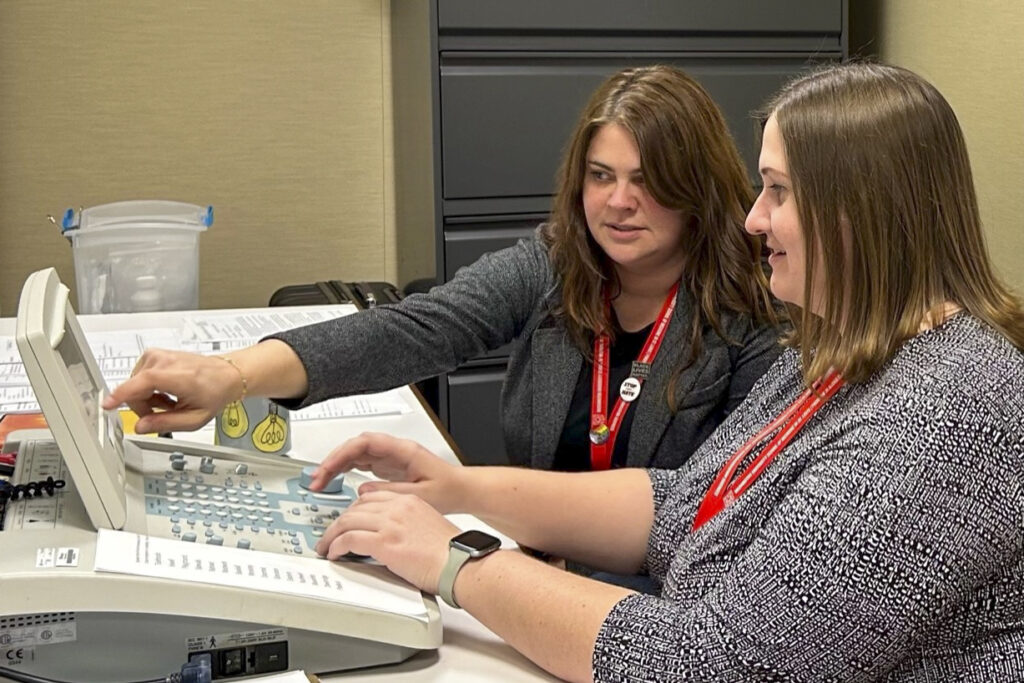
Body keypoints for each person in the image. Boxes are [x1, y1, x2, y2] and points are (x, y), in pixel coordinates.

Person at [296, 63, 1024, 681]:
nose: (752, 220)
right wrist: (457, 491)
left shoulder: (949, 410)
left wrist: (456, 561)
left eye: (777, 191)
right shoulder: (841, 350)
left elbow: (717, 665)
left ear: (856, 212)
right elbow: (687, 504)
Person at [106, 65, 780, 476]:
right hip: (535, 559)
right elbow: (411, 330)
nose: (619, 202)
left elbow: (710, 512)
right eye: (601, 176)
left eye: (647, 179)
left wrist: (472, 497)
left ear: (696, 187)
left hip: (660, 599)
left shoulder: (753, 316)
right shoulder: (557, 264)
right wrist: (229, 376)